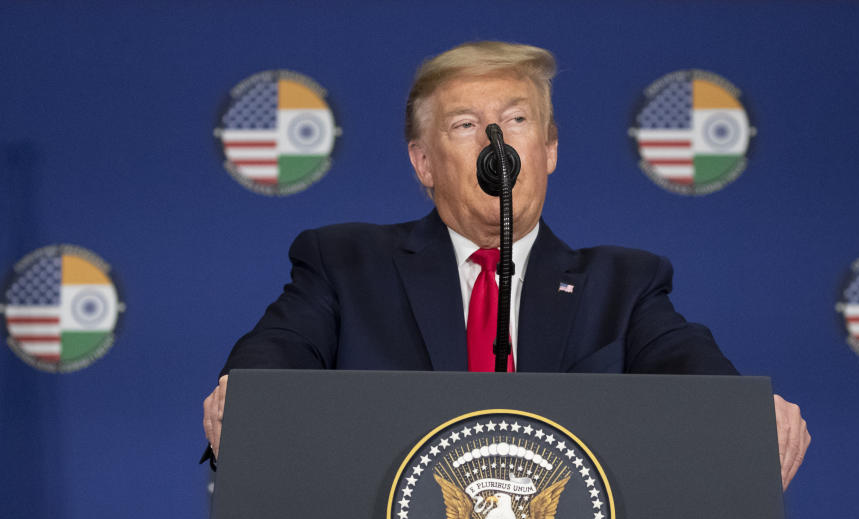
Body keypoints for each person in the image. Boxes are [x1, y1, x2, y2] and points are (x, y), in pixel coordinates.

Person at [201, 41, 810, 488]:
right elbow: (276, 350)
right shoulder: (345, 263)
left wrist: (745, 414)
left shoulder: (625, 284)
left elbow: (691, 369)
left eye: (517, 120)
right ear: (423, 164)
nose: (498, 141)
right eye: (466, 125)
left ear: (547, 150)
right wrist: (245, 396)